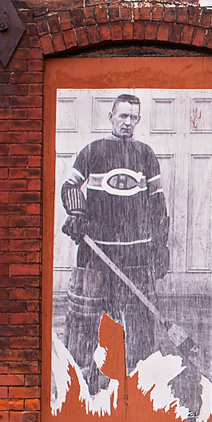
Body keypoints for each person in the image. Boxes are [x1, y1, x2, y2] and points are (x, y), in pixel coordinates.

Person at [60, 93, 170, 392]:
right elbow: (70, 186)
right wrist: (78, 213)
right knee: (86, 323)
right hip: (96, 253)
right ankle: (82, 381)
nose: (127, 122)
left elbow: (157, 203)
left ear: (138, 120)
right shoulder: (93, 151)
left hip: (137, 254)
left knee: (141, 323)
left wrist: (161, 246)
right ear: (111, 116)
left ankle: (139, 383)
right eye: (122, 116)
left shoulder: (146, 154)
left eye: (133, 117)